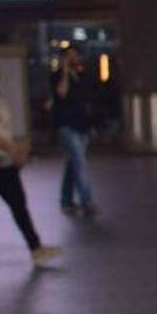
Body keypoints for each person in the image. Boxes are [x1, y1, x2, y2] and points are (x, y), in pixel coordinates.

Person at [0, 50, 61, 269]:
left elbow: (1, 129)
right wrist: (12, 148)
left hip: (3, 163)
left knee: (19, 205)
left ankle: (36, 248)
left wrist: (16, 150)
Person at [52, 47, 98, 216]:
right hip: (67, 127)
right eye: (69, 56)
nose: (73, 59)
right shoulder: (57, 76)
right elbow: (61, 93)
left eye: (75, 56)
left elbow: (88, 101)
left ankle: (66, 200)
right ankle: (87, 201)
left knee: (73, 165)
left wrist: (92, 125)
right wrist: (64, 72)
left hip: (82, 126)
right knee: (80, 164)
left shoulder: (82, 77)